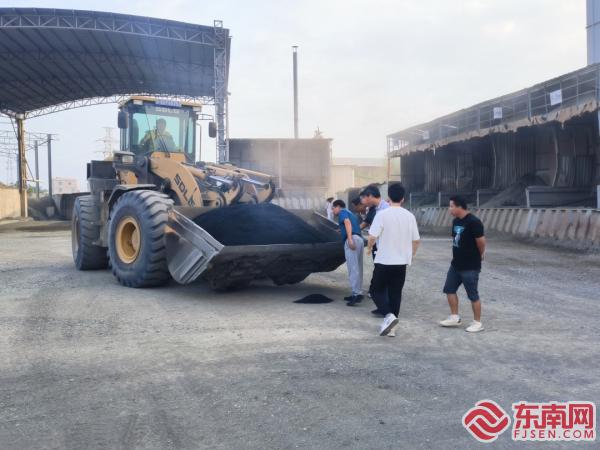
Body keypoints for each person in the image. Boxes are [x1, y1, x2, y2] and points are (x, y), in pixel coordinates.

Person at [367, 183, 420, 337]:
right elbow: (416, 240)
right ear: (403, 198)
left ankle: (388, 316)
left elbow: (372, 236)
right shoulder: (410, 216)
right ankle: (392, 328)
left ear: (388, 197)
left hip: (384, 260)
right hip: (401, 262)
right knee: (395, 293)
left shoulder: (382, 214)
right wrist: (411, 255)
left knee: (375, 290)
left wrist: (369, 248)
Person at [439, 195, 486, 333]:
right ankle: (454, 317)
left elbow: (481, 242)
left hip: (470, 266)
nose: (449, 209)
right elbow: (456, 241)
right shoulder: (456, 221)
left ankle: (477, 323)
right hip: (456, 264)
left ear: (460, 206)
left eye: (451, 206)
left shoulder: (474, 222)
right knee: (449, 289)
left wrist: (480, 255)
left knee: (473, 295)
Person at [360, 185, 389, 314]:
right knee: (379, 273)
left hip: (385, 246)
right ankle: (383, 307)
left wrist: (370, 246)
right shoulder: (375, 209)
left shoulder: (386, 209)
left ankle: (387, 309)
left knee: (382, 275)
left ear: (370, 196)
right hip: (378, 245)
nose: (364, 200)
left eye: (364, 197)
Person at [331, 199, 364, 306]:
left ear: (338, 207)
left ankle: (356, 294)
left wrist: (349, 239)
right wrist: (340, 231)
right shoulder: (350, 213)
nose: (332, 210)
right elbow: (350, 225)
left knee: (353, 268)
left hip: (352, 239)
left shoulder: (342, 212)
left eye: (333, 208)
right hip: (359, 239)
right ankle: (358, 292)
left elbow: (347, 222)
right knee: (358, 267)